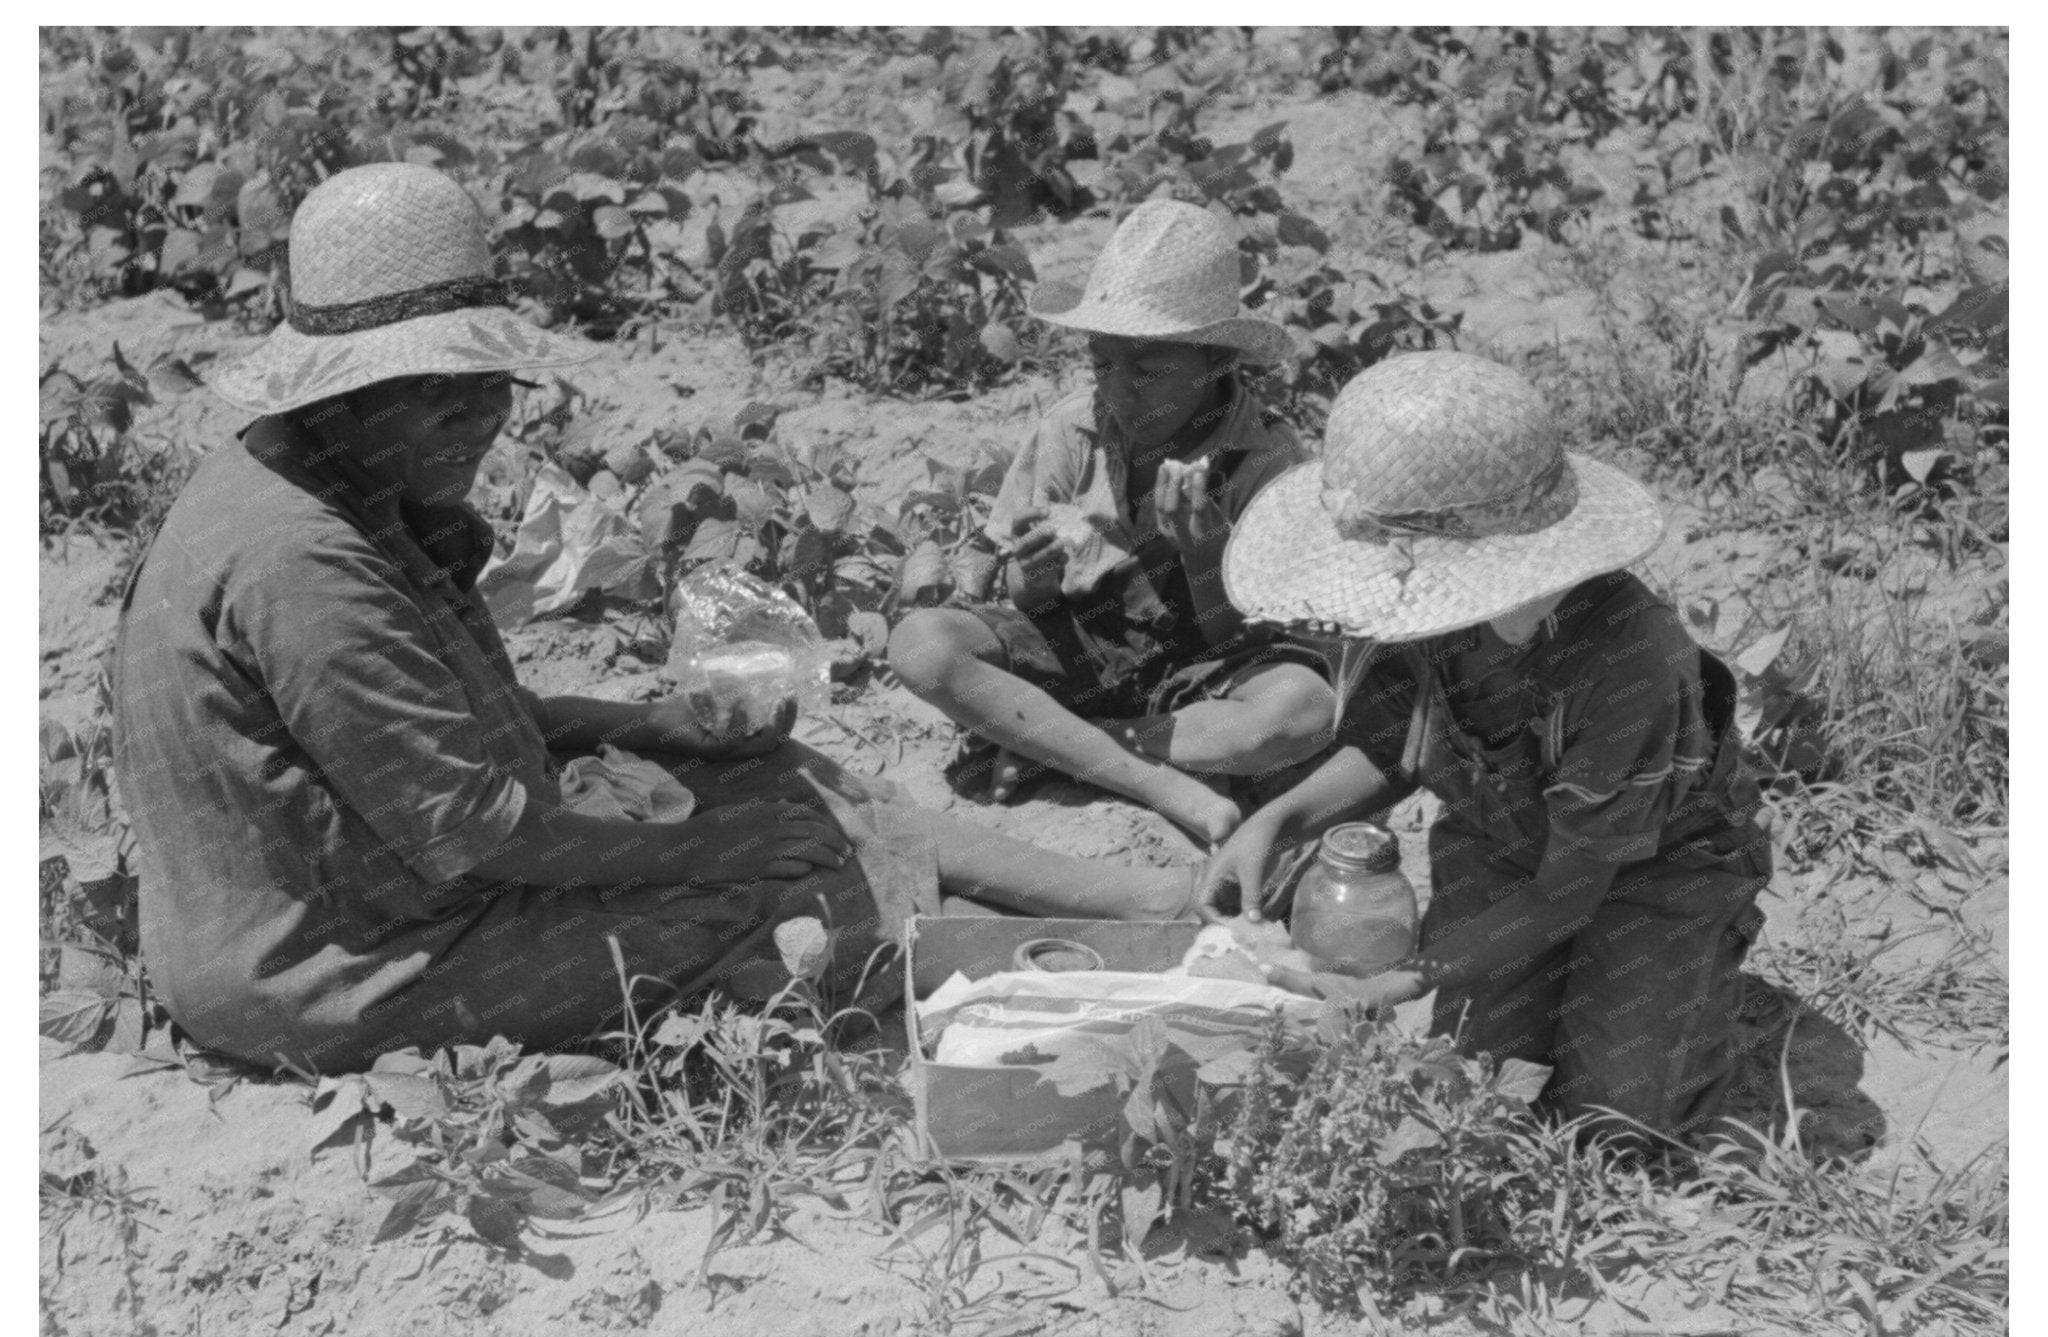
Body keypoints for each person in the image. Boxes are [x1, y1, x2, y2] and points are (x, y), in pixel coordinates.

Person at [110, 163, 1200, 1075]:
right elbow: (491, 840)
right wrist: (728, 848)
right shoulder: (305, 562)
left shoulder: (335, 480)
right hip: (338, 965)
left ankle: (1148, 902)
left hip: (384, 891)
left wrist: (654, 730)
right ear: (336, 392)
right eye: (435, 394)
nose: (479, 419)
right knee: (801, 895)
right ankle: (1130, 972)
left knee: (791, 784)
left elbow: (448, 726)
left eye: (485, 383)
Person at [1201, 350, 1772, 1140]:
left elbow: (1567, 892)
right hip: (1504, 840)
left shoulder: (1627, 663)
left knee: (1615, 1117)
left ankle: (1695, 963)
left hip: (1655, 863)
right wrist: (1279, 819)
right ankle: (1577, 983)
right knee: (1478, 1088)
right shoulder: (1423, 616)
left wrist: (1403, 979)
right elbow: (1393, 750)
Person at [888, 199, 1336, 846]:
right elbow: (1027, 598)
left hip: (1200, 673)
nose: (1120, 390)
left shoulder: (1267, 462)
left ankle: (1059, 745)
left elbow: (1233, 639)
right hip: (1085, 643)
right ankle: (1151, 778)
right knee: (922, 645)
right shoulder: (1073, 427)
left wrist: (1207, 560)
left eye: (1150, 370)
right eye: (1103, 364)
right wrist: (1031, 576)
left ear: (1217, 362)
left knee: (1301, 710)